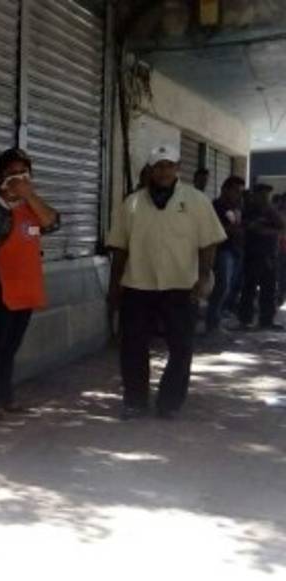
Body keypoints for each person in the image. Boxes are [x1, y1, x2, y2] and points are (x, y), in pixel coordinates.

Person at [107, 144, 226, 420]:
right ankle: (135, 401)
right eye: (158, 166)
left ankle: (169, 403)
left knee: (181, 347)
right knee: (133, 345)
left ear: (178, 168)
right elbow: (120, 247)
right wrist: (115, 285)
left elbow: (208, 243)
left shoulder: (197, 201)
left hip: (181, 285)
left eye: (169, 166)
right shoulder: (132, 203)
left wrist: (204, 276)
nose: (164, 172)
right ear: (150, 170)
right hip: (138, 284)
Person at [0, 148, 60, 420]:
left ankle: (6, 396)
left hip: (25, 287)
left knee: (10, 346)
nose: (18, 178)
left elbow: (52, 223)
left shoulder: (31, 206)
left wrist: (29, 196)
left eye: (24, 173)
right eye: (12, 173)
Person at [236, 183, 286, 330]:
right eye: (262, 194)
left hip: (270, 254)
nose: (265, 197)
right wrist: (266, 228)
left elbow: (282, 226)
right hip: (253, 254)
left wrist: (266, 226)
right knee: (249, 288)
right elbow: (248, 227)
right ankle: (245, 320)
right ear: (255, 195)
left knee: (269, 289)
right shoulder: (249, 210)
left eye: (267, 194)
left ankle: (266, 320)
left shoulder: (271, 210)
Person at [206, 175, 245, 334]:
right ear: (225, 189)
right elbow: (213, 229)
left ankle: (217, 320)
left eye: (240, 192)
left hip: (234, 250)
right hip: (222, 250)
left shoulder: (236, 207)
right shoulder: (216, 206)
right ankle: (212, 323)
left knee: (228, 287)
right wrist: (231, 229)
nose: (238, 195)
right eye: (236, 191)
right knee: (221, 287)